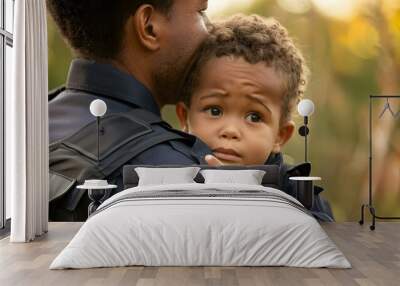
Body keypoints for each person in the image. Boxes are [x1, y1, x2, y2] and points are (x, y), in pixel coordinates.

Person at [46, 0, 218, 221]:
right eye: (201, 12)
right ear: (149, 27)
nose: (211, 29)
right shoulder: (180, 175)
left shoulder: (18, 127)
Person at [176, 14, 334, 221]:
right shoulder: (171, 179)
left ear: (280, 136)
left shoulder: (298, 195)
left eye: (254, 116)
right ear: (185, 117)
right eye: (215, 111)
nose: (230, 130)